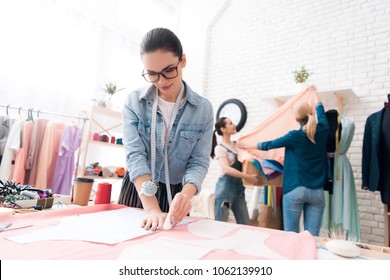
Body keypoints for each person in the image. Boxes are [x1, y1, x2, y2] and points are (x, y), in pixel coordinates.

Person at [118, 28, 214, 231]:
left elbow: (199, 161)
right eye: (152, 74)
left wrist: (186, 196)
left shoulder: (203, 109)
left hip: (178, 194)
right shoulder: (134, 103)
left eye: (169, 70)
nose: (161, 81)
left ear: (183, 61)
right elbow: (135, 155)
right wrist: (151, 209)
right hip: (139, 190)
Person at [238, 91, 328, 236]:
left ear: (296, 118)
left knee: (291, 236)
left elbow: (269, 145)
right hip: (317, 192)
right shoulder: (323, 129)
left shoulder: (294, 136)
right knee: (312, 239)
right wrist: (314, 92)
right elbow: (320, 109)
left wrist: (246, 145)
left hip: (295, 189)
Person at [211, 117, 260, 225]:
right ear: (223, 129)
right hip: (226, 193)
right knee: (221, 222)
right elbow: (226, 169)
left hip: (239, 191)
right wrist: (248, 176)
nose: (234, 125)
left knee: (245, 223)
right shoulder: (220, 148)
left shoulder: (237, 145)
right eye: (230, 123)